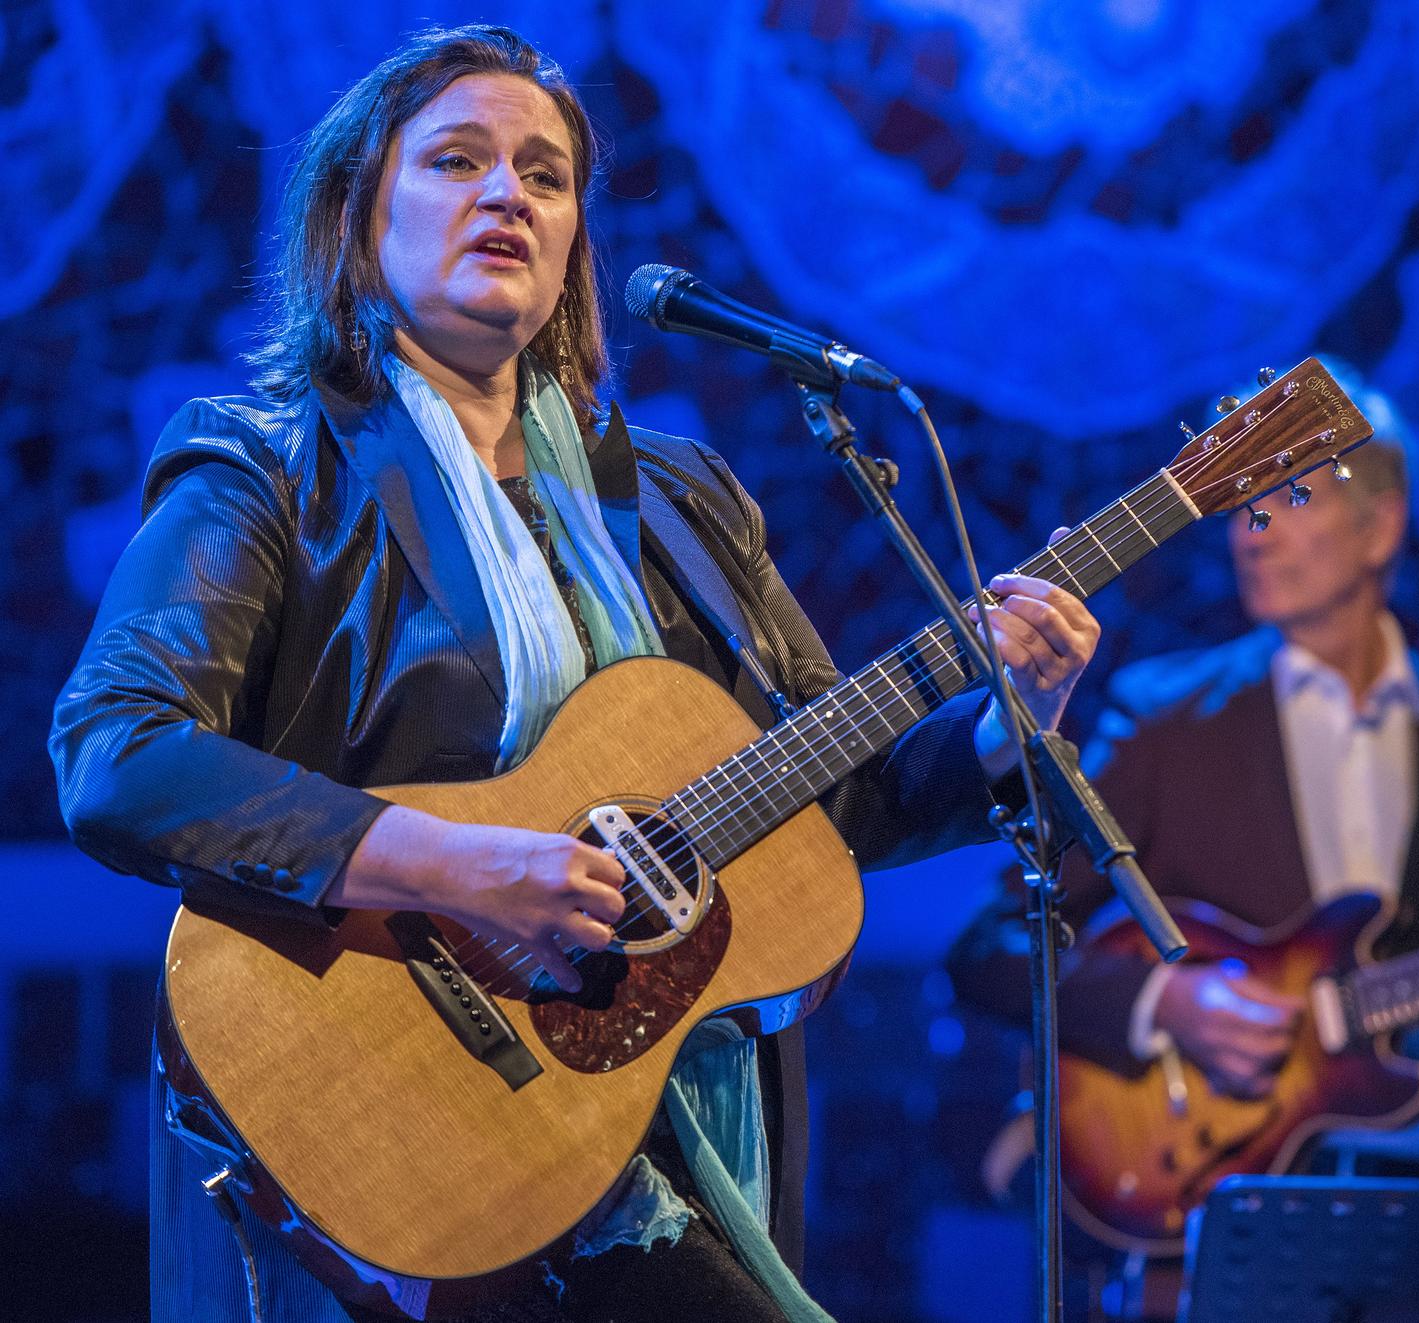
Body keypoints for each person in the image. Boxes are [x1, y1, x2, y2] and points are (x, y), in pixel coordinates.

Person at [49, 26, 1099, 1323]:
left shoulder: (682, 501)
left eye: (545, 175)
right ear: (357, 215)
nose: (509, 193)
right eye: (458, 160)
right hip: (389, 1101)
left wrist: (1006, 723)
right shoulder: (267, 467)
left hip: (667, 1107)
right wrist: (466, 864)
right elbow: (118, 752)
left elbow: (831, 806)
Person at [948, 372, 1419, 1248]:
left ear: (1382, 525)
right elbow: (995, 946)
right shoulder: (1164, 718)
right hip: (1229, 1215)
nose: (1253, 534)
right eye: (1244, 503)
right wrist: (1166, 1003)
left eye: (1290, 494)